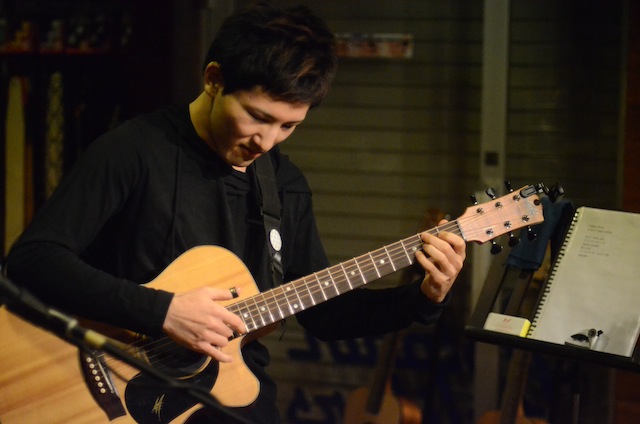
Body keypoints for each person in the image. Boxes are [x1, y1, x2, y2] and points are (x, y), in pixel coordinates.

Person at [4, 1, 466, 423]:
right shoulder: (132, 152)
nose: (266, 141)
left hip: (223, 393)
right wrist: (163, 311)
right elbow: (32, 260)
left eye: (289, 125)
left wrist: (422, 298)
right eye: (258, 117)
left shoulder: (284, 185)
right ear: (213, 79)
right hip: (109, 383)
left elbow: (325, 315)